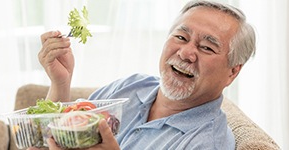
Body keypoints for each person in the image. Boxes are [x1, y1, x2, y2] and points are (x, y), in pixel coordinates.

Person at [35, 0, 255, 149]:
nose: (186, 52)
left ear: (233, 71)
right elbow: (57, 138)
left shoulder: (206, 142)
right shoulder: (131, 87)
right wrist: (60, 83)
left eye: (207, 48)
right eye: (180, 37)